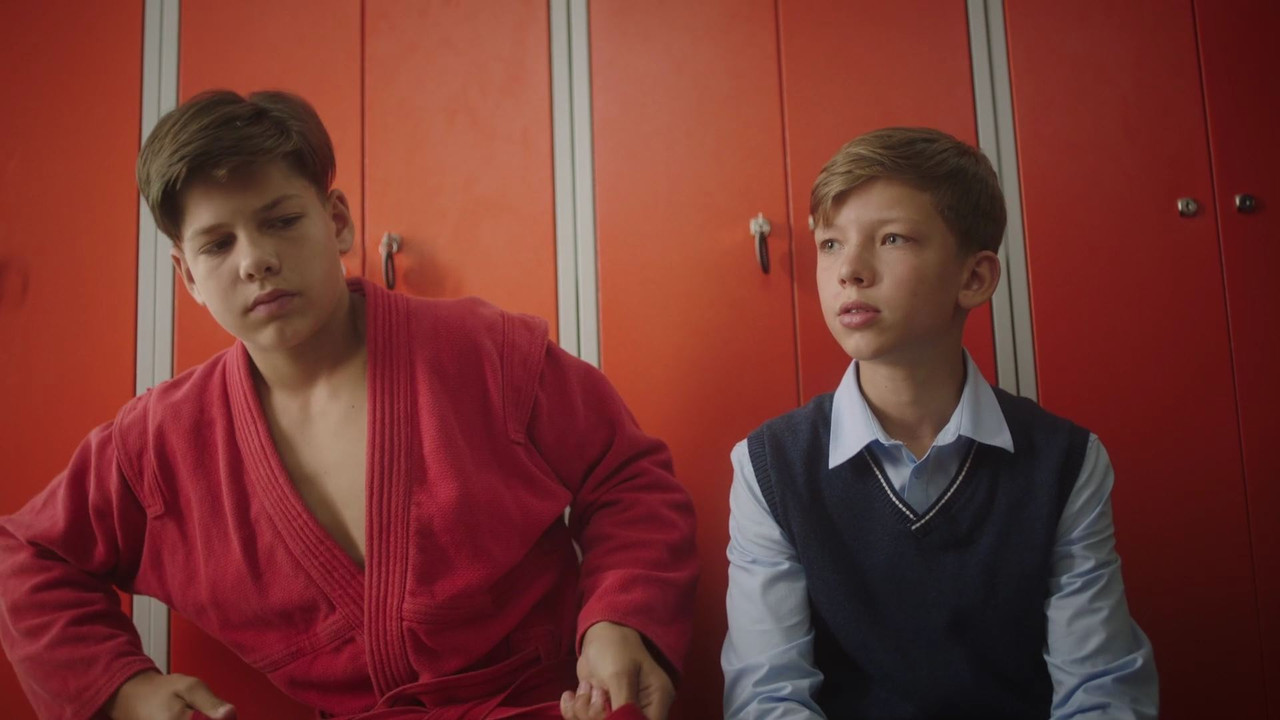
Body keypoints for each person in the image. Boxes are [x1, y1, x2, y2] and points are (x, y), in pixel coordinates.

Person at [0, 90, 697, 720]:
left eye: (281, 221)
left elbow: (627, 480)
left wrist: (619, 619)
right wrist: (124, 688)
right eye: (217, 244)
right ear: (187, 276)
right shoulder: (159, 444)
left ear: (336, 222)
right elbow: (26, 553)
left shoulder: (487, 352)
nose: (255, 260)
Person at [721, 127, 1158, 718]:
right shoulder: (769, 466)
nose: (849, 270)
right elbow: (768, 696)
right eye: (830, 243)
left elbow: (1102, 689)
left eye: (892, 238)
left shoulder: (1067, 461)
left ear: (974, 278)